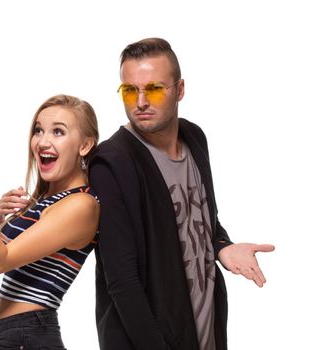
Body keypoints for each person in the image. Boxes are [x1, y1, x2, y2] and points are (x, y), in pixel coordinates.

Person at [88, 37, 275, 350]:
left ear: (180, 89)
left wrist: (223, 247)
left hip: (204, 331)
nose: (141, 102)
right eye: (130, 90)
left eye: (155, 88)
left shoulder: (194, 137)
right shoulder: (111, 162)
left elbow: (202, 219)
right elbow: (121, 281)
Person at [0, 94, 100, 350]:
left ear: (84, 146)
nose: (43, 141)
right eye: (38, 130)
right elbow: (0, 253)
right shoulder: (46, 199)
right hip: (11, 335)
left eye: (58, 132)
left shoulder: (80, 205)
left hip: (28, 337)